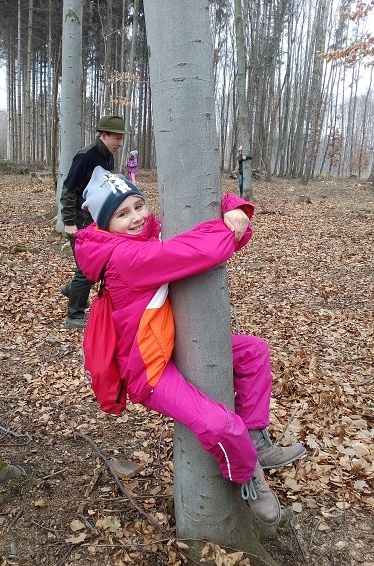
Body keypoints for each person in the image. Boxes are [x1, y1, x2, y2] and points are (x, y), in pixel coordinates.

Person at [74, 166, 306, 525]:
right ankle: (249, 478)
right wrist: (233, 222)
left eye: (139, 206)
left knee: (253, 352)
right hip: (149, 369)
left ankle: (257, 441)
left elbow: (199, 227)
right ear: (105, 225)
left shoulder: (147, 235)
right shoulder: (124, 259)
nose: (137, 218)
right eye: (122, 214)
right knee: (220, 425)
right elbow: (196, 251)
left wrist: (233, 204)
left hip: (172, 343)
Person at [59, 115, 129, 329]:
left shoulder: (108, 156)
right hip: (79, 221)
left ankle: (73, 291)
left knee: (97, 264)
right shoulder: (86, 156)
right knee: (85, 267)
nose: (120, 143)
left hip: (95, 220)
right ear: (103, 135)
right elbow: (69, 190)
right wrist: (69, 222)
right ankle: (74, 316)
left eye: (121, 139)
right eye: (116, 138)